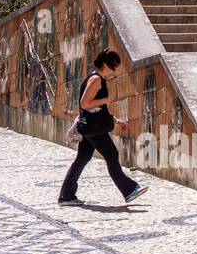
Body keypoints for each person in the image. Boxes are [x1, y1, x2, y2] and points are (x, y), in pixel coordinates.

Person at [58, 48, 148, 206]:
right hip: (94, 128)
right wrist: (105, 100)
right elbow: (85, 104)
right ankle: (129, 190)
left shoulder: (94, 78)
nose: (114, 70)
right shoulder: (96, 80)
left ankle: (66, 195)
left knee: (82, 158)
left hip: (90, 126)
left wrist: (116, 120)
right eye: (114, 65)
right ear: (107, 65)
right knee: (112, 154)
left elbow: (96, 110)